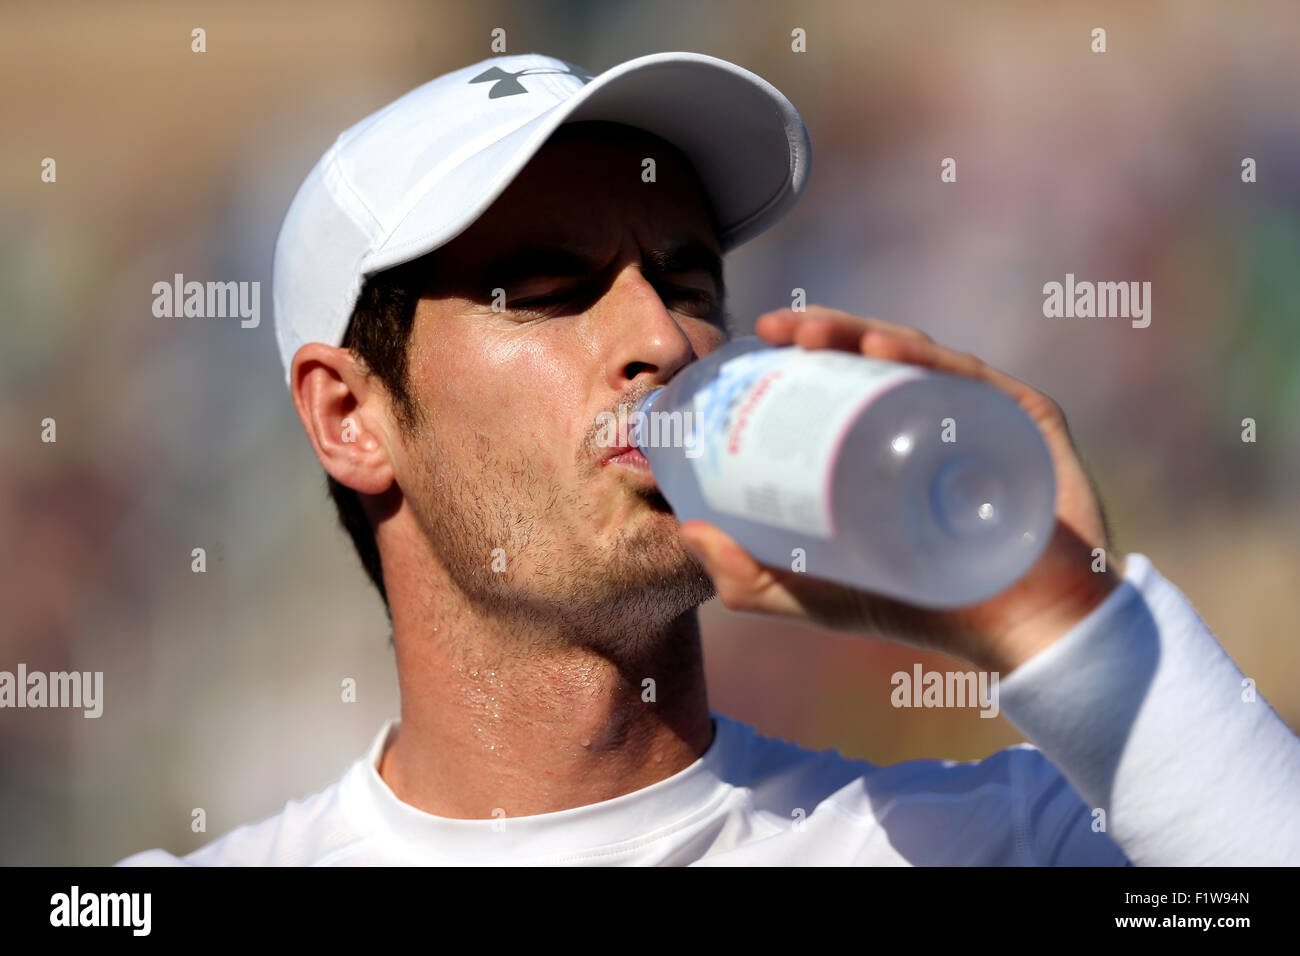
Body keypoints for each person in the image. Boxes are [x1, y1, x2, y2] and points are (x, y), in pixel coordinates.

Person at [117, 52, 1300, 866]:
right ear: (349, 417)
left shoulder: (983, 842)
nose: (661, 338)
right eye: (548, 289)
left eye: (686, 283)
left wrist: (1070, 630)